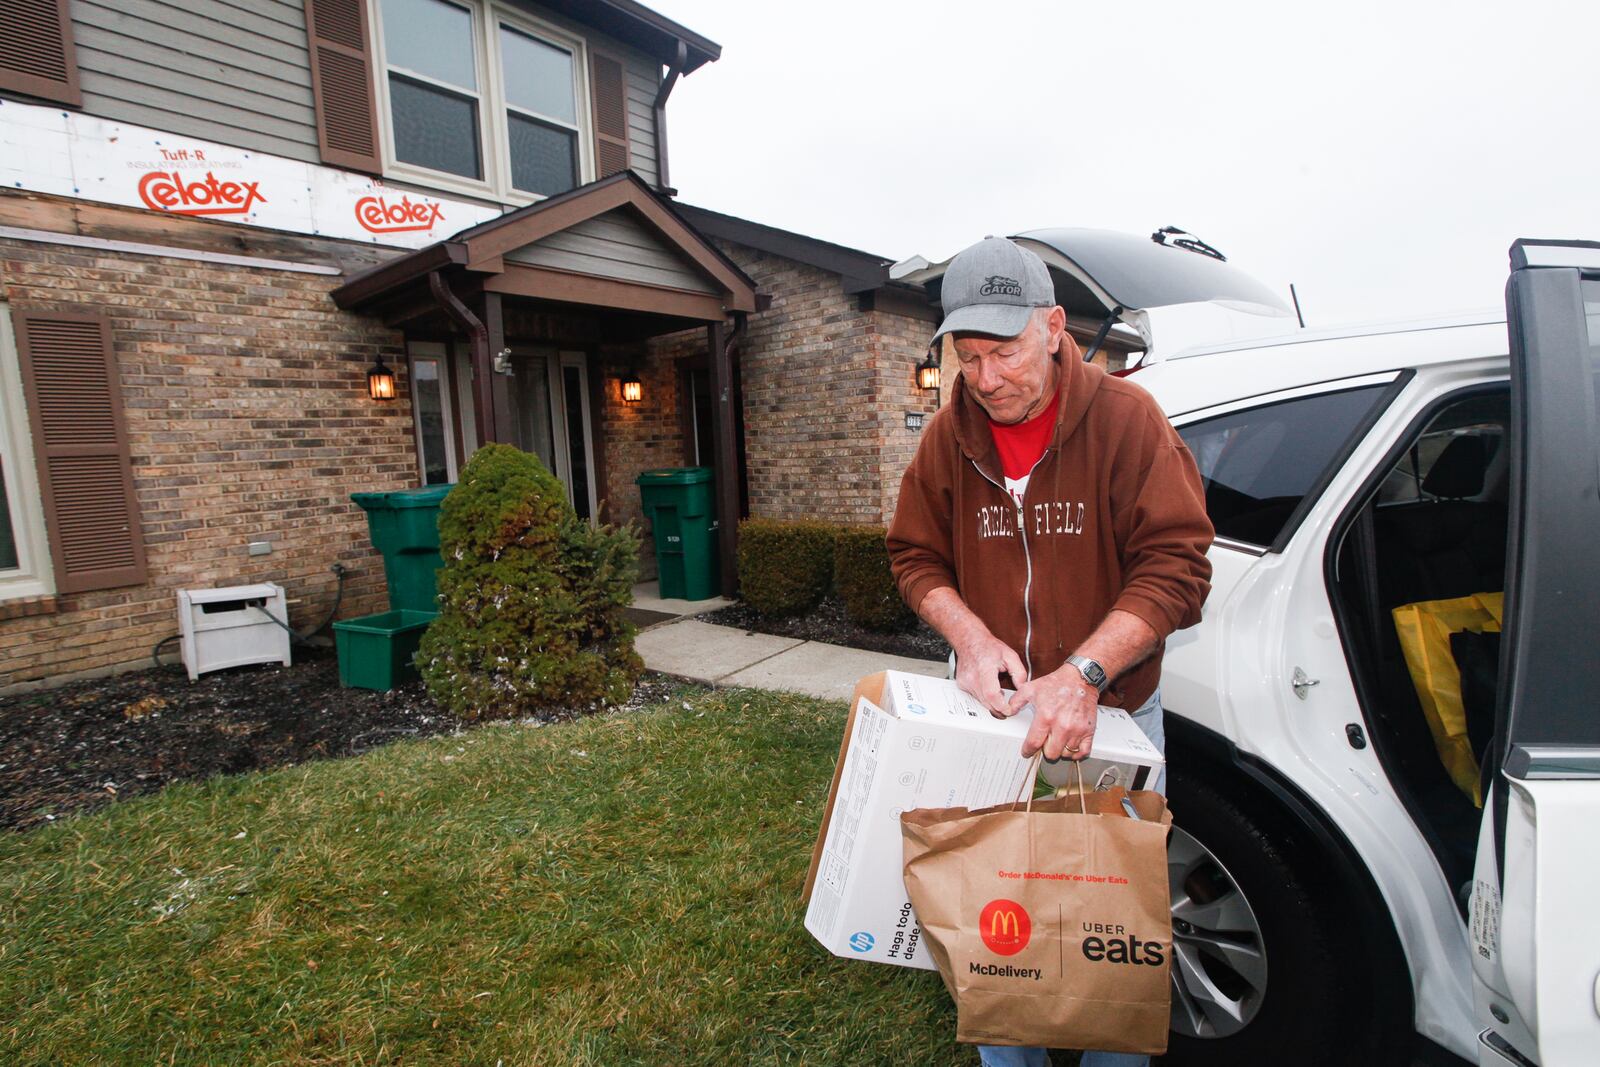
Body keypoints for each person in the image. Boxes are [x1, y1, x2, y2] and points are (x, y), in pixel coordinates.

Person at [886, 236, 1214, 1067]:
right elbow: (913, 555)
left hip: (1111, 725)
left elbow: (1178, 565)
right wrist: (969, 634)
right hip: (993, 732)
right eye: (969, 356)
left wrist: (1085, 673)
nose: (987, 378)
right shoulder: (947, 437)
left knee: (1108, 938)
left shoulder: (1127, 421)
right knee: (1001, 935)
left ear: (1056, 326)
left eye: (1005, 351)